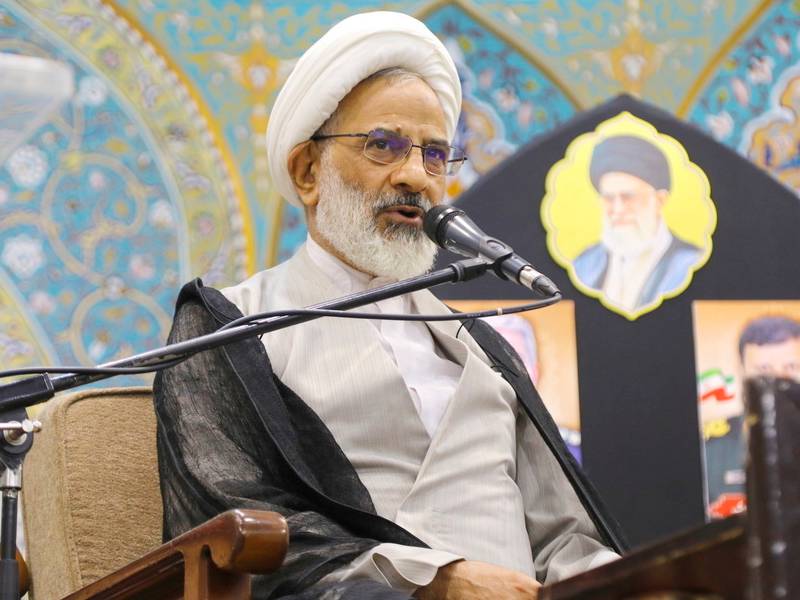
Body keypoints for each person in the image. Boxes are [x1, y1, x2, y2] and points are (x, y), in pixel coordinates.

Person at [154, 11, 624, 600]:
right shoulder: (231, 326)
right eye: (383, 146)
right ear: (307, 171)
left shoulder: (479, 344)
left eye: (435, 155)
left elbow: (568, 540)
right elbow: (235, 526)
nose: (416, 177)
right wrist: (438, 581)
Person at [573, 135, 702, 312]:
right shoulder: (585, 265)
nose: (618, 209)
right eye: (609, 198)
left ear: (660, 200)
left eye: (628, 197)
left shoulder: (690, 263)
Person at [704, 315, 800, 517]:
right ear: (742, 372)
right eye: (764, 370)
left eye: (791, 367)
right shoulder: (711, 447)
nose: (779, 381)